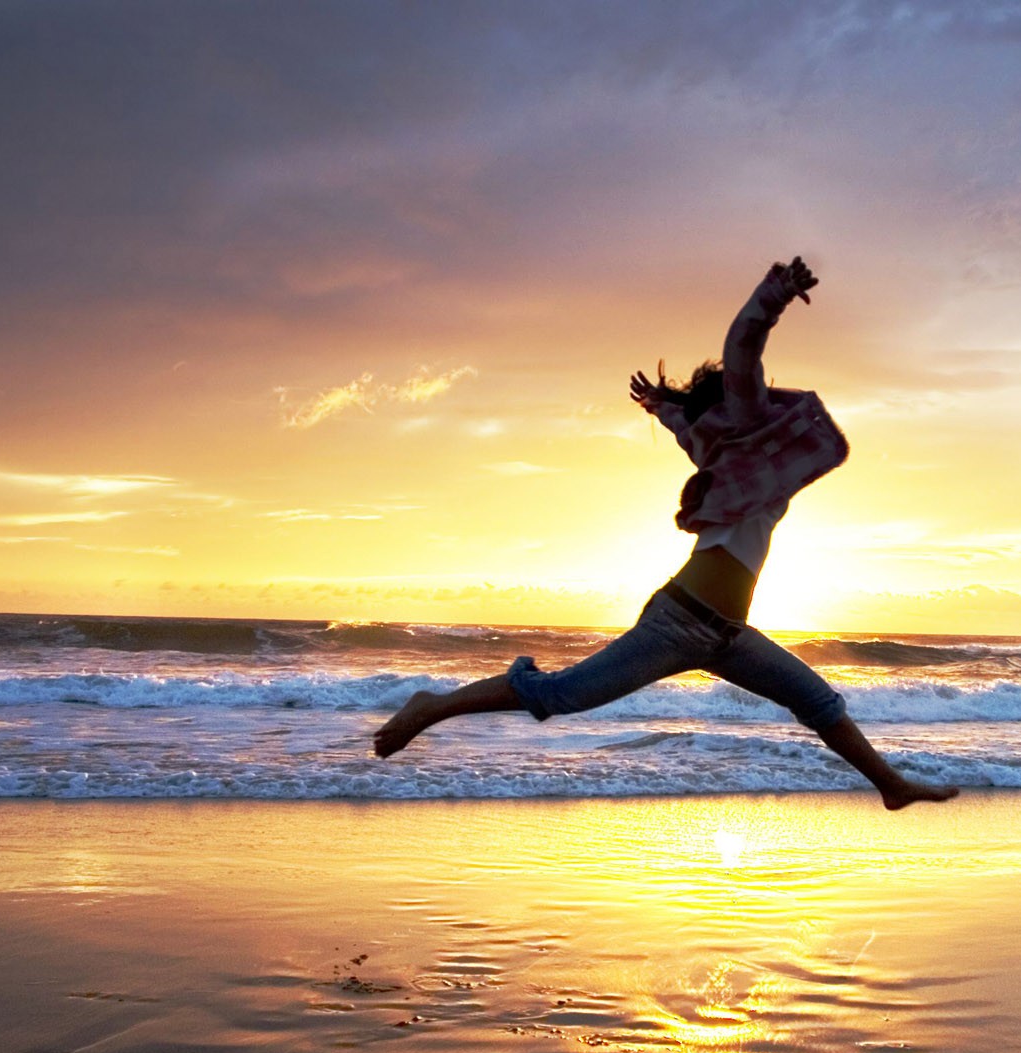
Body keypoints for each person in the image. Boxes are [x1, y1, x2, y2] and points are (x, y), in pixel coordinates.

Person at [373, 256, 957, 810]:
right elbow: (743, 346)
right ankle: (431, 707)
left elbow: (682, 421)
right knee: (556, 695)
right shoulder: (737, 425)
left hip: (727, 633)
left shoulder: (718, 449)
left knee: (817, 701)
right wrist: (775, 293)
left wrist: (657, 403)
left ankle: (891, 785)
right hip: (679, 623)